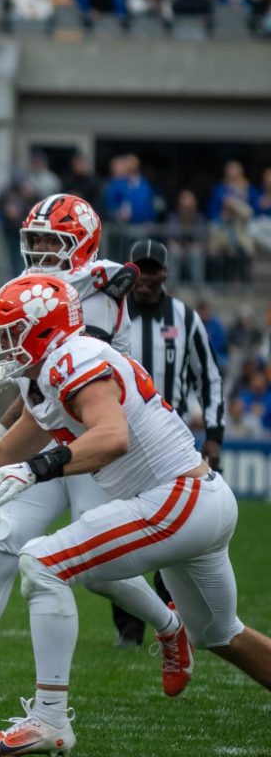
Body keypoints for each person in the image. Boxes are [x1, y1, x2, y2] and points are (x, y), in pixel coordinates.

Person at [0, 274, 271, 754]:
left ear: (43, 330)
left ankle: (49, 720)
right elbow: (2, 453)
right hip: (197, 499)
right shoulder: (50, 371)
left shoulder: (75, 359)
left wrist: (39, 468)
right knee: (221, 634)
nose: (2, 346)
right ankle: (161, 644)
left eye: (10, 334)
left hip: (177, 497)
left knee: (43, 561)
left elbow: (112, 437)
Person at [0, 194, 175, 703]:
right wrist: (3, 441)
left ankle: (168, 624)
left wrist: (4, 437)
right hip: (48, 432)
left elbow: (60, 382)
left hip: (91, 442)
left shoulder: (96, 290)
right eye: (38, 241)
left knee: (97, 571)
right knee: (5, 543)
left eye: (56, 240)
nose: (44, 250)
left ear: (83, 244)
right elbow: (34, 384)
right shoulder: (48, 287)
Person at [111, 239, 226, 647]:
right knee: (123, 527)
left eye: (153, 269)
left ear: (165, 273)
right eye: (138, 269)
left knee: (170, 528)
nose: (145, 277)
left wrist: (214, 435)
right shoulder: (112, 313)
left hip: (169, 441)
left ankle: (169, 614)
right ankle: (129, 627)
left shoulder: (185, 318)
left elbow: (209, 377)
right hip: (119, 438)